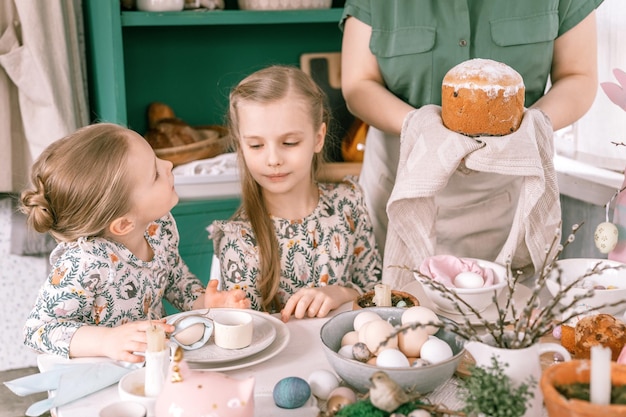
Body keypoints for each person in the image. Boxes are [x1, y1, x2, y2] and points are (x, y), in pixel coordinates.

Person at [340, 1, 603, 284]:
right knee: (395, 314)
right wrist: (424, 128)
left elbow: (578, 76)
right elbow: (358, 84)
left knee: (498, 314)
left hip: (504, 193)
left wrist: (525, 125)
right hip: (400, 185)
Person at [20, 123, 250, 363]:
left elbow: (172, 277)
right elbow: (37, 330)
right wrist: (107, 341)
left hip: (151, 366)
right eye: (155, 174)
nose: (168, 165)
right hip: (101, 376)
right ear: (123, 224)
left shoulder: (158, 227)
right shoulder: (85, 263)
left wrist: (204, 301)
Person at [209, 65, 381, 322]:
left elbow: (380, 295)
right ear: (240, 145)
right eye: (256, 145)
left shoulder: (349, 203)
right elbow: (247, 334)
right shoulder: (239, 240)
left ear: (318, 137)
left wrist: (340, 293)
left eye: (289, 143)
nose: (273, 159)